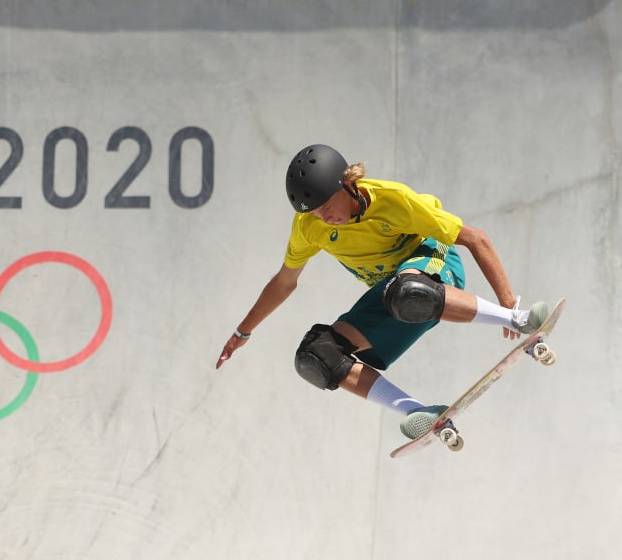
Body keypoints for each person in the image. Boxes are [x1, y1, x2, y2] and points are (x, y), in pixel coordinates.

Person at [215, 144, 549, 440]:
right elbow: (284, 281)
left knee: (406, 291)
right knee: (317, 355)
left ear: (348, 185)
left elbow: (476, 238)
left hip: (434, 265)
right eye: (314, 213)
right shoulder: (310, 227)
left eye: (327, 206)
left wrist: (512, 309)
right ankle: (422, 413)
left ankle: (517, 319)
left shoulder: (394, 200)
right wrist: (242, 331)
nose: (325, 218)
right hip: (391, 292)